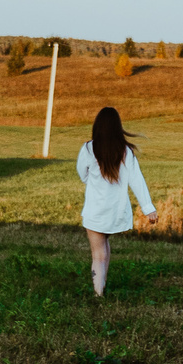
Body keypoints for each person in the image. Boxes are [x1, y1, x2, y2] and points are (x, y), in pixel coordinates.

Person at [74, 105, 156, 296]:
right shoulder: (125, 152)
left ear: (97, 127)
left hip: (95, 211)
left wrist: (91, 180)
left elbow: (82, 173)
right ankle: (102, 284)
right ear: (118, 127)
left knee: (98, 254)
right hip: (116, 212)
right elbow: (137, 180)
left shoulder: (88, 149)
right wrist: (148, 208)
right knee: (104, 248)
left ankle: (98, 294)